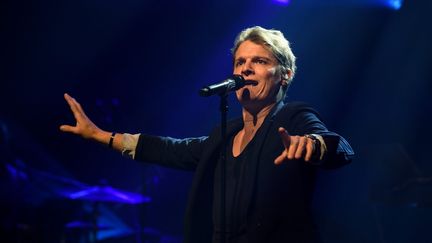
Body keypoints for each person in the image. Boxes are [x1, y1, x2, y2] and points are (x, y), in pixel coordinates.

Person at [60, 26, 354, 243]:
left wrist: (313, 145)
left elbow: (337, 145)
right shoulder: (224, 136)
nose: (246, 69)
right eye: (240, 62)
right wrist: (101, 136)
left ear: (285, 74)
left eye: (260, 62)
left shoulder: (293, 117)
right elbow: (170, 149)